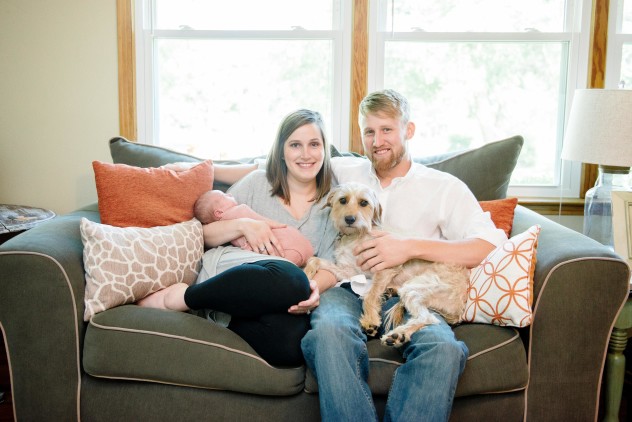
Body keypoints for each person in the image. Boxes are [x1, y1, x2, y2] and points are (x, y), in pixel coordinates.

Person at [299, 89, 508, 421]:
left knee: (444, 350)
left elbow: (490, 246)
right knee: (328, 333)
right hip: (346, 286)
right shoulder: (344, 170)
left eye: (387, 130)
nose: (377, 140)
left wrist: (409, 247)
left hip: (408, 290)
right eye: (369, 131)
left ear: (408, 130)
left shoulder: (444, 187)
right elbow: (280, 164)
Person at [138, 109, 338, 367]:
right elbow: (201, 235)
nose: (306, 154)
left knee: (289, 346)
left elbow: (334, 263)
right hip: (235, 271)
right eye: (295, 145)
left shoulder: (336, 200)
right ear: (281, 151)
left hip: (284, 295)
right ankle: (182, 298)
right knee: (290, 274)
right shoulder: (256, 183)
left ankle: (219, 315)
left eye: (314, 144)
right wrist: (243, 226)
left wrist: (314, 288)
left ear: (325, 149)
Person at [193, 189, 314, 267]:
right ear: (218, 213)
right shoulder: (236, 213)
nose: (230, 194)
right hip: (300, 244)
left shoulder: (240, 211)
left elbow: (249, 248)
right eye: (225, 196)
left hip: (287, 248)